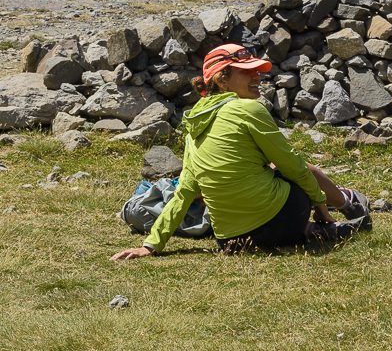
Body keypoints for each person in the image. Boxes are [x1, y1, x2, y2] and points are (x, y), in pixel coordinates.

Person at [112, 43, 372, 260]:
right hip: (286, 218)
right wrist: (320, 205)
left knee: (264, 174)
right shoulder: (249, 109)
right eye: (247, 72)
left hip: (231, 241)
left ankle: (314, 229)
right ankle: (344, 208)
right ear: (221, 78)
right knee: (290, 170)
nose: (257, 77)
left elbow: (186, 191)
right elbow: (293, 166)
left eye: (257, 71)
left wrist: (150, 245)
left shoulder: (193, 125)